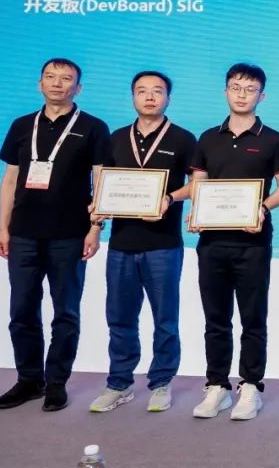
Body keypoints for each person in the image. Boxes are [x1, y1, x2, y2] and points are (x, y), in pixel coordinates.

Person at [0, 58, 110, 413]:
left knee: (65, 312)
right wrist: (3, 227)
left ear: (78, 87)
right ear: (39, 83)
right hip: (23, 234)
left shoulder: (93, 127)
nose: (57, 83)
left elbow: (102, 181)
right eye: (50, 77)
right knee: (21, 310)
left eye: (66, 78)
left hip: (70, 234)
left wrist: (95, 228)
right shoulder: (21, 125)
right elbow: (10, 180)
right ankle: (29, 380)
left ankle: (56, 383)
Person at [88, 71, 196, 414]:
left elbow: (197, 183)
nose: (150, 97)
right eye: (142, 91)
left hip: (164, 244)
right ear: (133, 96)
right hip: (121, 244)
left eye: (157, 91)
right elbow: (102, 184)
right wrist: (96, 221)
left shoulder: (183, 138)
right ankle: (119, 383)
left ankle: (161, 382)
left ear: (168, 98)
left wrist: (169, 198)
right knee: (119, 317)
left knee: (165, 319)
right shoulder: (116, 138)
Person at [188, 63, 279, 421]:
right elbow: (199, 184)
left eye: (250, 89)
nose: (242, 94)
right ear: (226, 91)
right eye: (236, 87)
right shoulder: (207, 138)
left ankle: (251, 386)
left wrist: (262, 207)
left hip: (253, 242)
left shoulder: (273, 139)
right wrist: (196, 211)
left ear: (262, 95)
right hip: (212, 242)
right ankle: (217, 385)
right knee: (215, 317)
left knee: (252, 317)